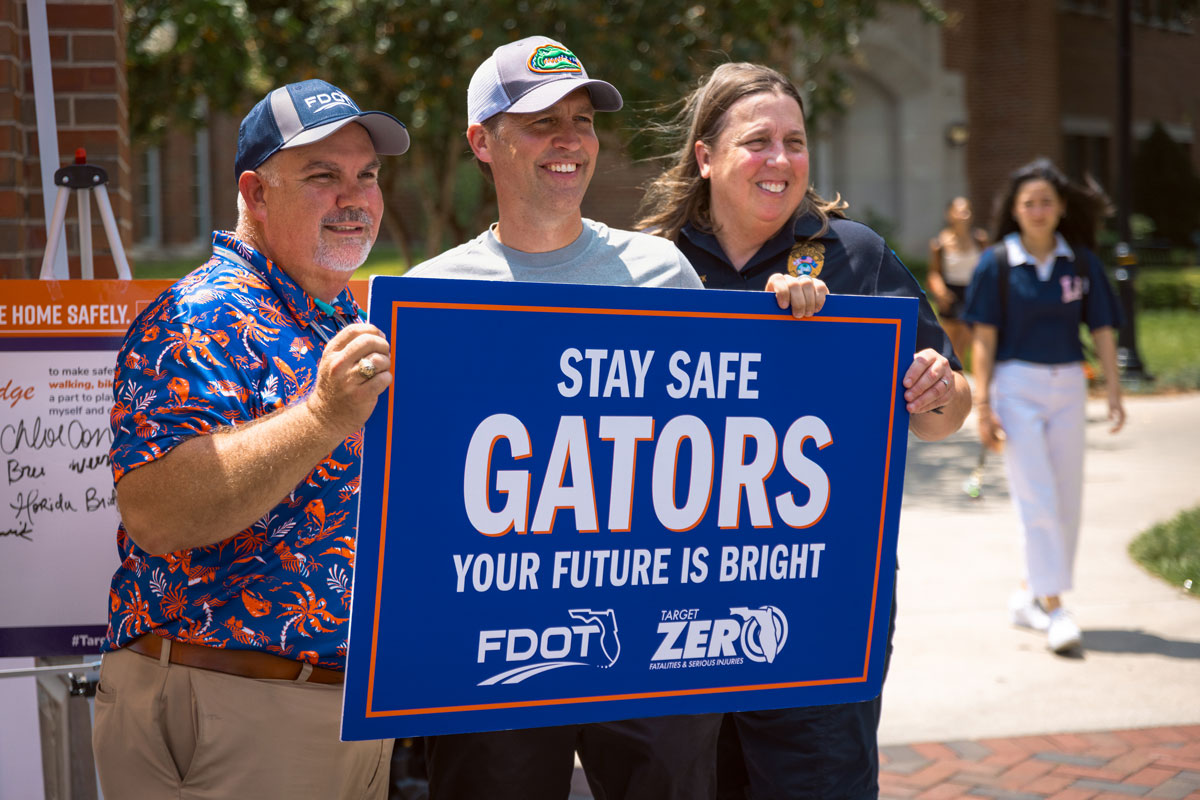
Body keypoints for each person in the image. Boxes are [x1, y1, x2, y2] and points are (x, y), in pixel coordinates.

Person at [635, 61, 972, 800]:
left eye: (795, 140)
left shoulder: (856, 257)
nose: (781, 160)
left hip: (817, 605)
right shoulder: (650, 268)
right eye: (758, 141)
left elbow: (948, 412)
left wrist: (938, 389)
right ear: (705, 157)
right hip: (675, 610)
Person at [405, 35, 723, 800]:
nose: (569, 142)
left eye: (581, 121)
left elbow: (714, 437)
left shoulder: (662, 273)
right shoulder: (433, 294)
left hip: (648, 631)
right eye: (542, 122)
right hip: (494, 645)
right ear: (483, 142)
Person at [93, 79, 409, 799]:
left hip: (344, 710)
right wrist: (323, 417)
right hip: (230, 706)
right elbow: (157, 514)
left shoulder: (341, 318)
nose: (354, 197)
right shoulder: (198, 315)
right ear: (256, 193)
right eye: (323, 176)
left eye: (367, 175)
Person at [963, 158, 1125, 655]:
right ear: (1015, 209)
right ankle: (1055, 607)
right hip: (1016, 387)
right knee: (1036, 498)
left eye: (1046, 202)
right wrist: (983, 404)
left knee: (1067, 499)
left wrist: (1115, 390)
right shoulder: (997, 262)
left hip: (1068, 387)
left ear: (1060, 210)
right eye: (1028, 202)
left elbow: (1101, 327)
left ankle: (1029, 594)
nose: (1037, 210)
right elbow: (984, 338)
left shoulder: (1080, 263)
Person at [928, 196, 989, 364]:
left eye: (967, 211)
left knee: (968, 340)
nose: (964, 215)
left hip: (972, 292)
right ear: (950, 215)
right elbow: (934, 272)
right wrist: (940, 292)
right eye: (960, 211)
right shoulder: (939, 243)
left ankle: (963, 379)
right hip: (951, 293)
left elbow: (988, 267)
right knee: (949, 343)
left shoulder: (980, 239)